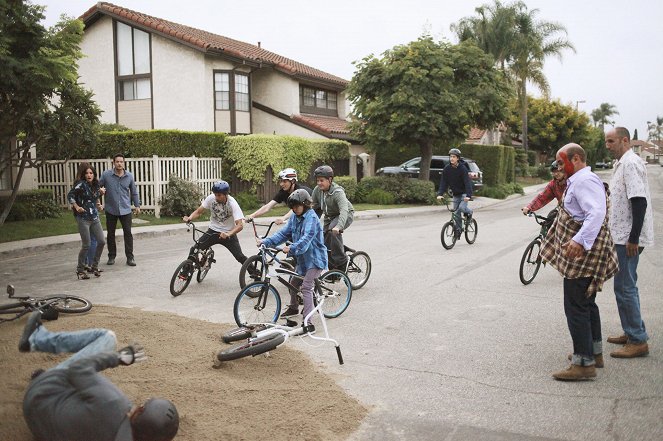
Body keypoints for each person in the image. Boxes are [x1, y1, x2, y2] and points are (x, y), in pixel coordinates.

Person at [18, 311, 179, 441]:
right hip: (41, 430)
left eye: (142, 406)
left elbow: (78, 369)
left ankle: (36, 338)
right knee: (89, 401)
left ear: (139, 412)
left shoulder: (115, 403)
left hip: (38, 397)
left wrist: (119, 358)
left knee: (107, 338)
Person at [539, 143, 618, 381]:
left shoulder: (585, 181)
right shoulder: (579, 180)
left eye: (561, 162)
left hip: (584, 253)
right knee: (586, 302)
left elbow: (596, 213)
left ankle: (583, 363)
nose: (558, 166)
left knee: (575, 306)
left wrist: (579, 241)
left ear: (575, 158)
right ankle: (594, 353)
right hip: (585, 251)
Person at [604, 127, 653, 358]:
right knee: (623, 286)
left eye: (611, 141)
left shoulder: (631, 164)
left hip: (627, 239)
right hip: (622, 236)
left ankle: (637, 339)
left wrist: (633, 238)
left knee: (625, 287)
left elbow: (639, 202)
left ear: (625, 140)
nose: (608, 145)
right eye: (606, 141)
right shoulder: (622, 164)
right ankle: (631, 330)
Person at [260, 189, 328, 322]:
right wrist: (266, 241)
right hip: (302, 259)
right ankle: (293, 307)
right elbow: (283, 233)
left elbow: (306, 238)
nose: (295, 209)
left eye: (297, 206)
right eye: (293, 207)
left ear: (305, 204)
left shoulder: (312, 218)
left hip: (315, 258)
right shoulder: (294, 218)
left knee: (306, 287)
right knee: (293, 282)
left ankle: (308, 322)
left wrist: (291, 247)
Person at [182, 180, 248, 268]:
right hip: (213, 231)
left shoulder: (232, 204)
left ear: (226, 194)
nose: (216, 197)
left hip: (227, 234)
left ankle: (255, 273)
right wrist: (190, 218)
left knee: (239, 256)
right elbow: (198, 211)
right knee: (194, 249)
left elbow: (240, 225)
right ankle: (185, 272)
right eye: (215, 194)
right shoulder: (211, 198)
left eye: (219, 195)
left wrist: (228, 234)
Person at [99, 154, 141, 267]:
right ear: (113, 162)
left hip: (125, 210)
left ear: (124, 163)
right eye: (117, 161)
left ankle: (130, 258)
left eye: (121, 161)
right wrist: (99, 197)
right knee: (111, 234)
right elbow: (97, 187)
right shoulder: (106, 175)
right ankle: (111, 256)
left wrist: (137, 205)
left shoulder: (129, 176)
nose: (119, 163)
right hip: (111, 209)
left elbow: (134, 192)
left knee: (128, 234)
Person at [311, 165, 354, 270]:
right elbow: (313, 207)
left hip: (345, 214)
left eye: (321, 180)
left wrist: (339, 226)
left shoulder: (338, 192)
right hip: (329, 217)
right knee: (323, 240)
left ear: (330, 180)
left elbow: (344, 210)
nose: (319, 183)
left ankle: (342, 262)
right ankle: (332, 267)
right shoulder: (317, 191)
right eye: (317, 180)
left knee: (332, 232)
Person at [68, 163, 106, 279]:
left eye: (91, 173)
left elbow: (94, 198)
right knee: (87, 245)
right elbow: (70, 195)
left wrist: (99, 205)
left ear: (94, 174)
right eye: (87, 173)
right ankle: (80, 269)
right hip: (83, 218)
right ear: (83, 175)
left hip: (94, 217)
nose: (89, 175)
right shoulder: (81, 184)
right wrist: (76, 206)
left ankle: (94, 266)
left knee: (101, 241)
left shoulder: (96, 185)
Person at [245, 168, 312, 224]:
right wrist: (252, 215)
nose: (281, 184)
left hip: (313, 210)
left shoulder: (300, 192)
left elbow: (295, 209)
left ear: (293, 181)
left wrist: (283, 218)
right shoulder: (283, 192)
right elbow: (267, 207)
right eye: (281, 181)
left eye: (284, 181)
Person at [436, 148, 473, 238]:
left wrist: (468, 195)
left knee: (461, 208)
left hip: (464, 193)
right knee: (456, 213)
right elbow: (443, 182)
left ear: (458, 158)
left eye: (454, 157)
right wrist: (440, 194)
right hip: (456, 194)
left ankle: (470, 212)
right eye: (451, 157)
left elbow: (467, 182)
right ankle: (459, 230)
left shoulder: (463, 169)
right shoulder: (447, 169)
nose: (451, 158)